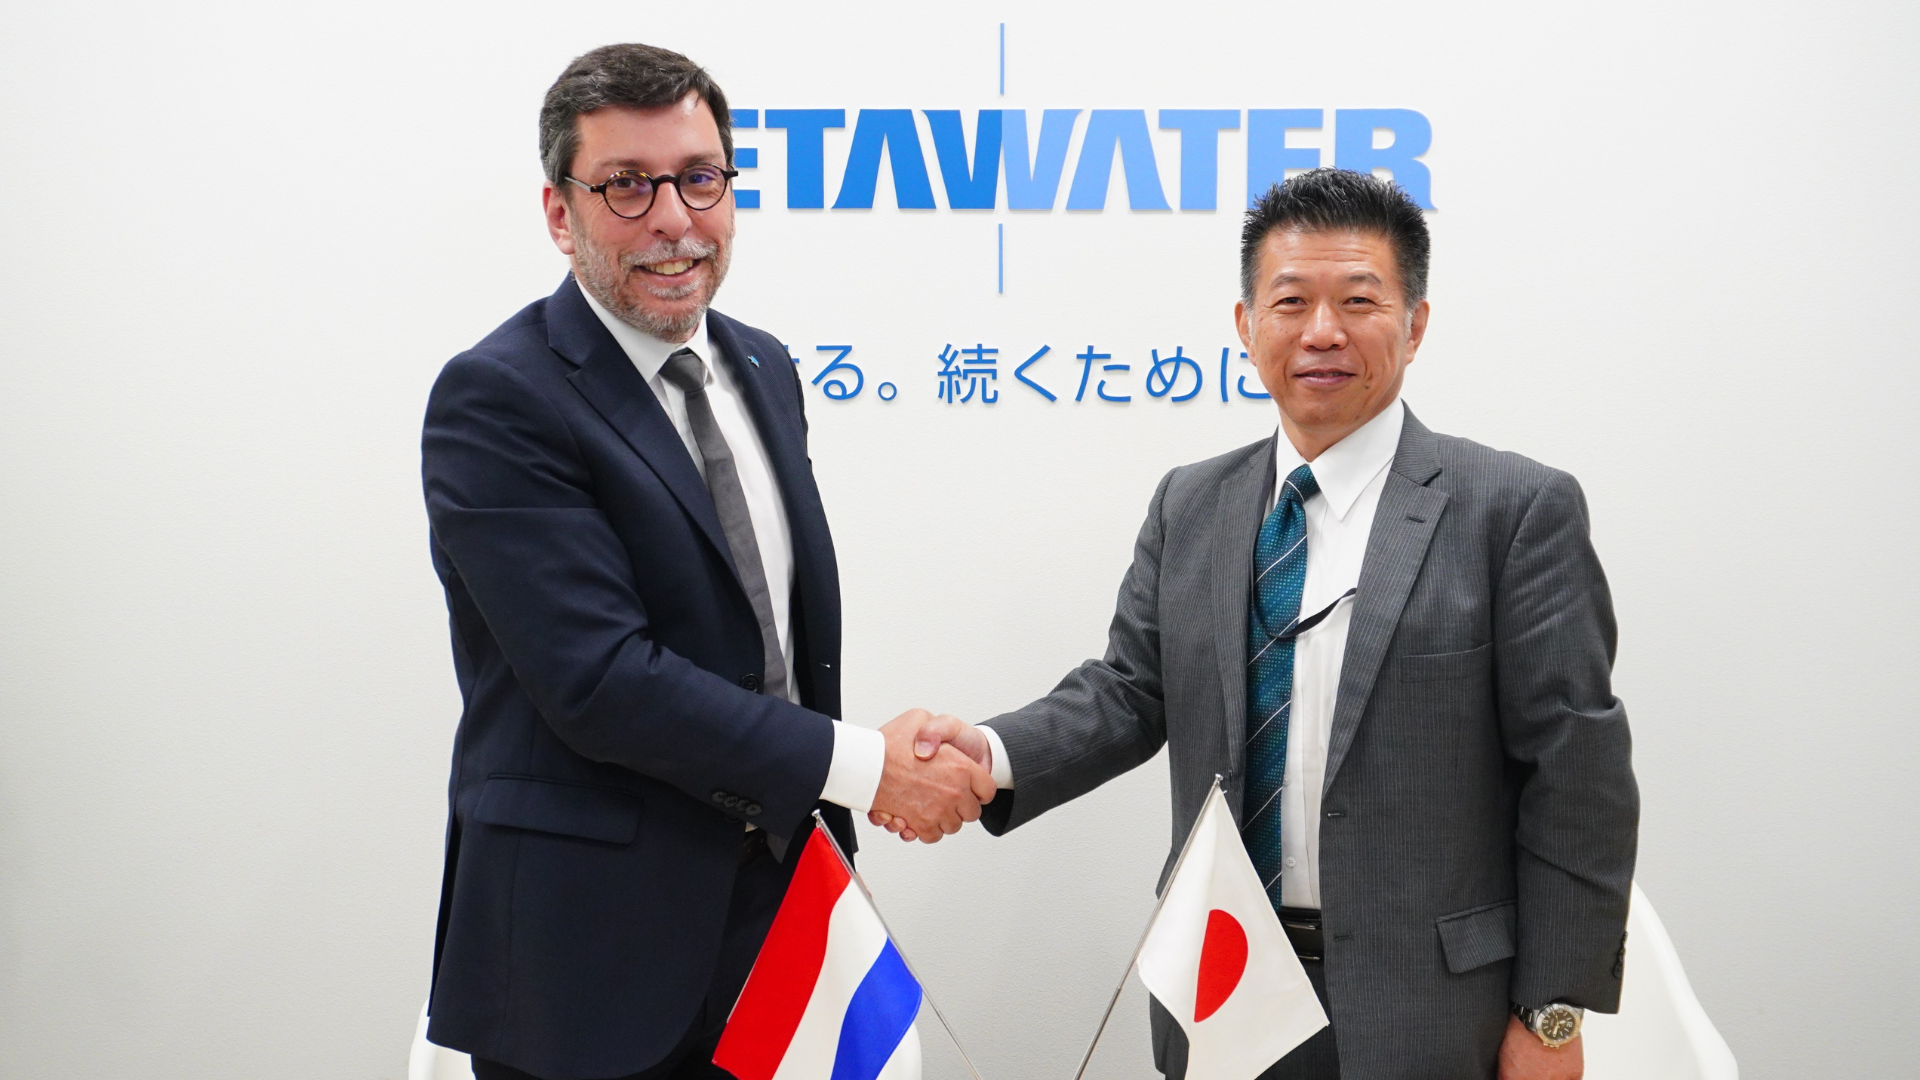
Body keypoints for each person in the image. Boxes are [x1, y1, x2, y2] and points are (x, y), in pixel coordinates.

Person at [885, 169, 1638, 1080]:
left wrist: (1551, 1016)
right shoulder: (1192, 504)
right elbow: (1129, 692)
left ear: (1417, 323)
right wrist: (989, 757)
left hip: (1439, 1010)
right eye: (1292, 301)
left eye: (1359, 299)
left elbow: (1578, 778)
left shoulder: (1512, 510)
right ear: (1246, 326)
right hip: (1224, 986)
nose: (1323, 330)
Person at [419, 44, 992, 1080]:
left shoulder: (763, 365)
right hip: (592, 958)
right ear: (560, 214)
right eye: (627, 187)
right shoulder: (498, 398)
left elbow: (769, 640)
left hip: (786, 922)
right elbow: (601, 682)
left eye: (699, 178)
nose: (675, 219)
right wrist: (867, 768)